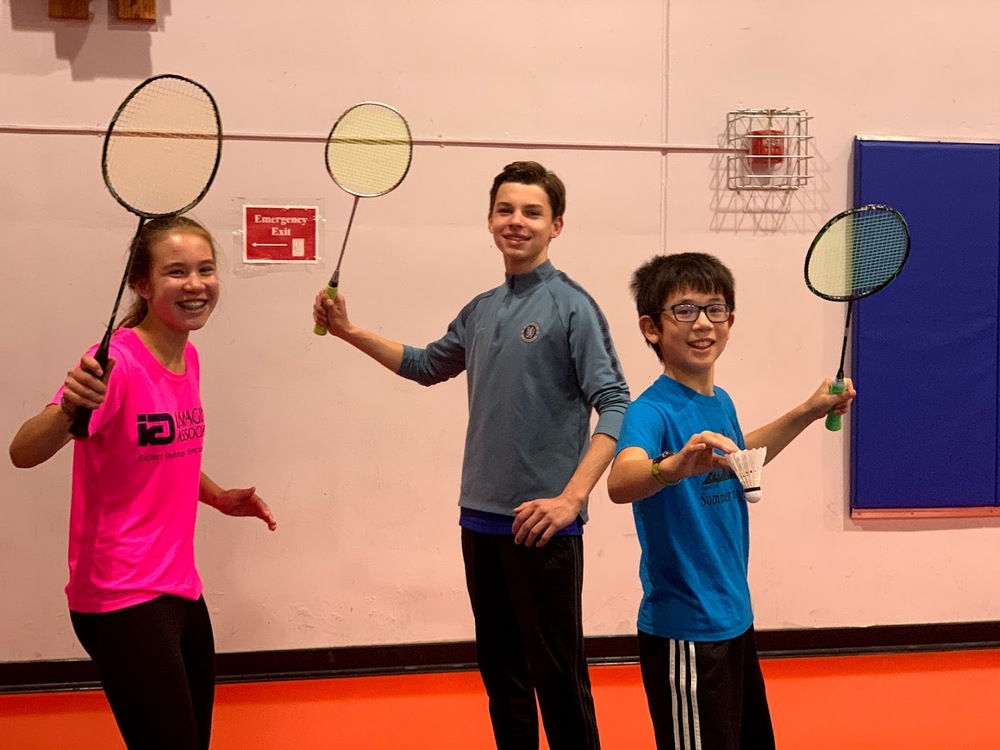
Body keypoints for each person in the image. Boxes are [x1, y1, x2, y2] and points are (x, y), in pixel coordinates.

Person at [313, 161, 630, 750]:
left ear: (556, 225)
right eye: (506, 210)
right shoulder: (481, 309)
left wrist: (572, 498)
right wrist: (348, 330)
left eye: (532, 212)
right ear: (489, 220)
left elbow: (615, 403)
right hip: (479, 519)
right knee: (503, 679)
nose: (517, 222)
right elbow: (426, 364)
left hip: (543, 527)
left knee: (558, 680)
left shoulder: (572, 306)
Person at [9, 215, 277, 750]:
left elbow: (161, 451)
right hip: (121, 595)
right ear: (142, 284)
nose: (195, 284)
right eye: (176, 271)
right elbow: (23, 452)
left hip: (179, 585)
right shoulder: (116, 364)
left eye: (205, 269)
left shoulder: (187, 356)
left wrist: (217, 495)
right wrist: (67, 411)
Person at [606, 252, 855, 750]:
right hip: (686, 632)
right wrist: (670, 467)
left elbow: (744, 457)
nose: (702, 323)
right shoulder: (650, 410)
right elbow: (620, 479)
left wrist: (809, 411)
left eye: (715, 309)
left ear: (730, 321)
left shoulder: (721, 402)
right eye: (684, 310)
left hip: (734, 619)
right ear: (651, 328)